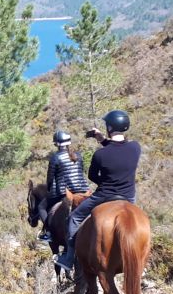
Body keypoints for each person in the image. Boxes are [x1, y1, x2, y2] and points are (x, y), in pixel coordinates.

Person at [55, 110, 141, 273]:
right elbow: (119, 150)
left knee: (74, 218)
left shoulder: (100, 155)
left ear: (109, 127)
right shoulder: (135, 148)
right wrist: (102, 139)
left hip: (104, 196)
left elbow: (92, 175)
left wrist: (107, 183)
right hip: (129, 197)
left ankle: (68, 257)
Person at [38, 130, 90, 241]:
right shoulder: (78, 155)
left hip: (64, 192)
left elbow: (50, 178)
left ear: (56, 143)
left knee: (41, 207)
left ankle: (48, 232)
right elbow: (81, 171)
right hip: (83, 190)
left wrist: (49, 190)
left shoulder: (55, 157)